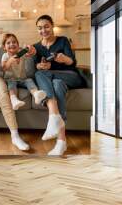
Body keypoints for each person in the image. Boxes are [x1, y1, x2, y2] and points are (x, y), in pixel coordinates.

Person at [32, 15, 85, 156]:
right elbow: (35, 66)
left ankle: (54, 118)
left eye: (46, 26)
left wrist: (64, 59)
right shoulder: (36, 47)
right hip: (56, 80)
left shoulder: (62, 41)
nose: (44, 30)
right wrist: (40, 65)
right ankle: (61, 140)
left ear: (52, 26)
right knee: (55, 84)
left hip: (71, 76)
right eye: (40, 28)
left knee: (39, 75)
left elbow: (71, 62)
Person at [0, 33, 46, 110]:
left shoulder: (21, 53)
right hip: (10, 79)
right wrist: (10, 60)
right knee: (11, 84)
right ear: (4, 47)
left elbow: (31, 53)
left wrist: (29, 48)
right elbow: (4, 68)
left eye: (14, 42)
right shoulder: (5, 56)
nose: (12, 44)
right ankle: (14, 100)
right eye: (8, 43)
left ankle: (36, 94)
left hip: (22, 79)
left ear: (18, 45)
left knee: (29, 80)